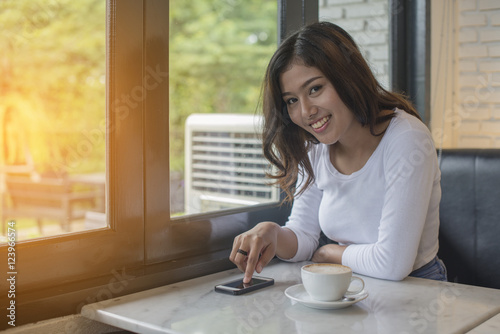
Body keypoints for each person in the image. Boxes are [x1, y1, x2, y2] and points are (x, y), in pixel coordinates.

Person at [229, 21, 447, 284]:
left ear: (347, 77)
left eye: (315, 89)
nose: (306, 111)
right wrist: (273, 233)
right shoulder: (315, 146)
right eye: (292, 101)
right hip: (346, 284)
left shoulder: (406, 138)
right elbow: (305, 236)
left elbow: (392, 263)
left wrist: (331, 252)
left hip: (417, 287)